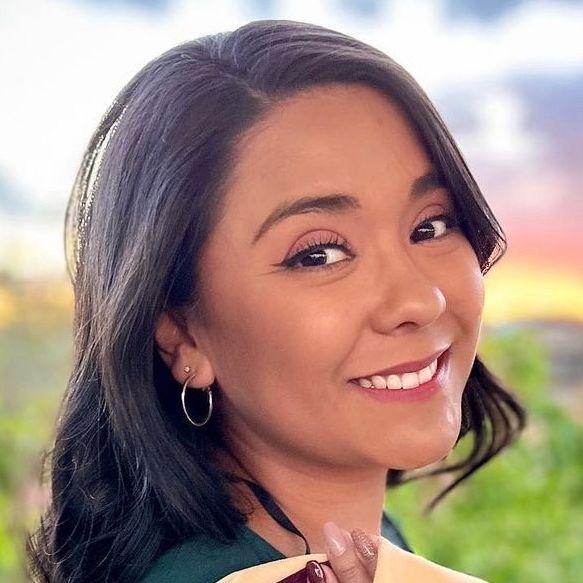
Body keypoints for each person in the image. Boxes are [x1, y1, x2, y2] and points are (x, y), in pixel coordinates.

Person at [26, 19, 527, 583]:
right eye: (319, 255)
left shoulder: (364, 548)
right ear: (181, 334)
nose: (420, 300)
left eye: (431, 226)